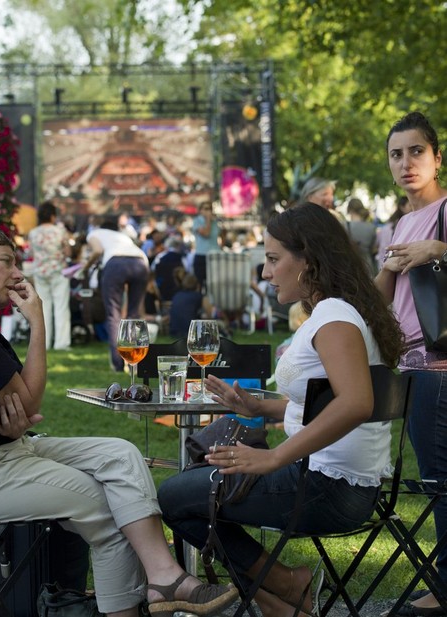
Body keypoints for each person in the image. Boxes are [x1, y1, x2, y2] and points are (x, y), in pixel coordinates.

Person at [0, 225, 238, 617]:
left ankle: (165, 577)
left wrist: (6, 422)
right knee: (110, 510)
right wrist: (38, 319)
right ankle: (156, 589)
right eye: (7, 262)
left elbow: (13, 411)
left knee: (121, 454)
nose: (17, 274)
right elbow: (28, 403)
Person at [159, 203, 404, 617]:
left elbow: (356, 402)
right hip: (341, 484)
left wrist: (272, 456)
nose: (265, 272)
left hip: (328, 488)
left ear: (307, 260)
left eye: (273, 259)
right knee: (194, 487)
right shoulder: (340, 311)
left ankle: (284, 589)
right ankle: (280, 598)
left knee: (174, 497)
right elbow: (324, 402)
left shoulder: (334, 318)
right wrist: (260, 406)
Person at [375, 111, 447, 616]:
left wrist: (438, 249)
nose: (407, 163)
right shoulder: (400, 223)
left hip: (440, 367)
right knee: (436, 476)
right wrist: (390, 264)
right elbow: (383, 301)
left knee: (440, 477)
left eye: (416, 151)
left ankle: (445, 589)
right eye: (397, 154)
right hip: (413, 365)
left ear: (437, 157)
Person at [81, 216, 150, 372]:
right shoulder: (123, 236)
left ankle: (118, 364)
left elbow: (97, 250)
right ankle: (136, 363)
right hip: (141, 262)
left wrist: (85, 267)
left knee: (114, 315)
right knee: (134, 315)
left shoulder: (94, 233)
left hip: (115, 264)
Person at [27, 201, 72, 350]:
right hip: (58, 272)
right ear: (53, 216)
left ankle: (44, 343)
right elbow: (68, 252)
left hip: (40, 272)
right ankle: (61, 343)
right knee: (61, 307)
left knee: (44, 308)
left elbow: (32, 253)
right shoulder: (60, 231)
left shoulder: (33, 233)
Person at [168, 268, 213, 338]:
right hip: (190, 332)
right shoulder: (199, 296)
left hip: (174, 332)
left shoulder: (177, 295)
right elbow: (210, 315)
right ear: (197, 285)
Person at [376, 196, 410, 270]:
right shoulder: (391, 226)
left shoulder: (389, 225)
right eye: (410, 205)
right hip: (393, 265)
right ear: (402, 207)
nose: (412, 208)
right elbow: (383, 249)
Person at [192, 201, 220, 292]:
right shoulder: (197, 221)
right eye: (205, 208)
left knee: (213, 285)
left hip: (214, 256)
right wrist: (208, 220)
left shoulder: (215, 222)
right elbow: (206, 234)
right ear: (200, 210)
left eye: (209, 209)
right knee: (199, 284)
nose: (208, 211)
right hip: (201, 255)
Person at [346, 197, 378, 276]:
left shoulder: (345, 226)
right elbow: (373, 249)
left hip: (350, 265)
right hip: (368, 265)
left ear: (349, 210)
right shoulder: (371, 227)